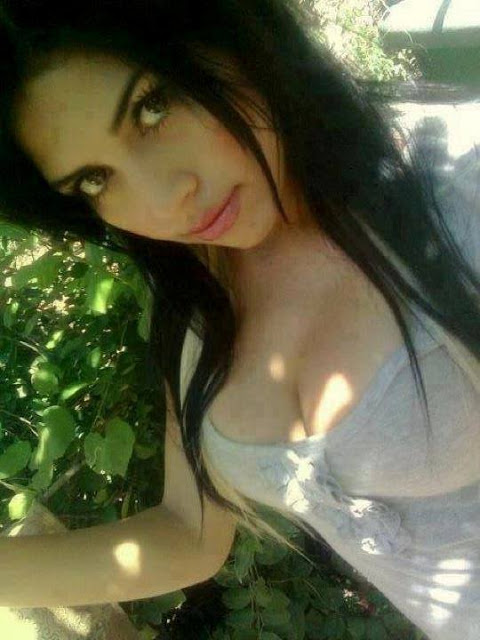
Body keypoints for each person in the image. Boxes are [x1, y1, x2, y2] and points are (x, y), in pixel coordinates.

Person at [0, 1, 479, 638]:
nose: (162, 201)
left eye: (152, 107)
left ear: (236, 38)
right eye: (94, 179)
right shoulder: (198, 294)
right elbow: (189, 531)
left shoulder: (457, 194)